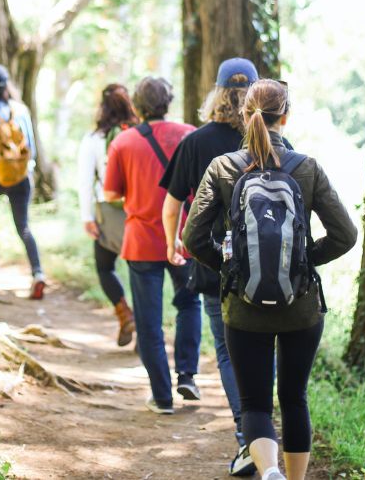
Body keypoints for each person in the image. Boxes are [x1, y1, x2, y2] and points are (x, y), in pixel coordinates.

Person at [183, 79, 357, 480]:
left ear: (244, 116)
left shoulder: (223, 168)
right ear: (287, 115)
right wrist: (304, 261)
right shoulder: (307, 168)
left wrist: (230, 270)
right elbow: (346, 235)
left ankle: (268, 472)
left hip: (243, 309)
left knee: (255, 405)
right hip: (302, 308)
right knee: (294, 399)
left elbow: (194, 237)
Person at [159, 57, 260, 474]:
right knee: (263, 349)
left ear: (216, 94)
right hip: (268, 265)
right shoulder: (269, 141)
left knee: (227, 350)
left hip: (213, 262)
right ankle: (264, 434)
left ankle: (247, 438)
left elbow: (170, 206)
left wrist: (172, 245)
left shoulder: (196, 143)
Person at [103, 76, 201, 415]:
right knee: (189, 304)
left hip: (142, 240)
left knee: (148, 321)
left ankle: (162, 397)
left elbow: (111, 193)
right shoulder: (190, 134)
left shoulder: (124, 143)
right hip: (184, 237)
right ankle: (187, 373)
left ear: (137, 106)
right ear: (168, 102)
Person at [77, 83, 138, 346]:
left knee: (105, 267)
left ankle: (124, 313)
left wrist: (87, 217)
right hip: (139, 213)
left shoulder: (94, 139)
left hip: (108, 213)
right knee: (141, 272)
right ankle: (145, 330)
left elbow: (84, 181)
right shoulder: (139, 134)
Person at [0, 65, 45, 300]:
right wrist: (27, 169)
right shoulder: (21, 111)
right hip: (20, 178)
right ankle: (38, 273)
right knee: (23, 226)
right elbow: (32, 150)